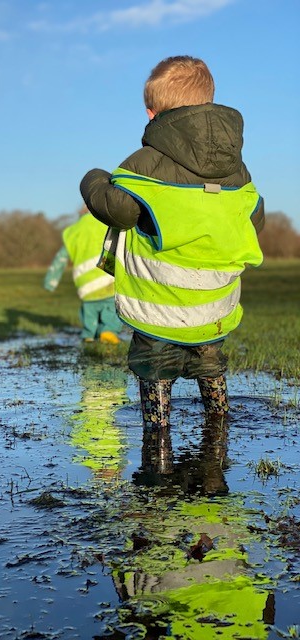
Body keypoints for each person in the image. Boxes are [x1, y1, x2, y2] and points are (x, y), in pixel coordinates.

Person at [80, 55, 264, 428]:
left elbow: (120, 212)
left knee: (155, 368)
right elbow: (255, 218)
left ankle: (158, 440)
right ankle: (218, 427)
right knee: (210, 361)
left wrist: (94, 179)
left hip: (158, 305)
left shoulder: (145, 161)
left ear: (152, 114)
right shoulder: (237, 168)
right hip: (214, 304)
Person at [44, 206, 123, 344]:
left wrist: (50, 281)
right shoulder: (106, 223)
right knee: (112, 310)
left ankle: (88, 335)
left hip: (85, 283)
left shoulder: (72, 232)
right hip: (107, 276)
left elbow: (61, 258)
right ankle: (108, 332)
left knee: (89, 313)